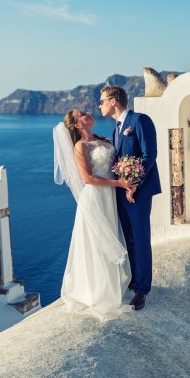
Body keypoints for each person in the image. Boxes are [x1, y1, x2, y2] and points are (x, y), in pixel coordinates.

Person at [53, 109, 137, 319]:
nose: (88, 113)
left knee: (112, 237)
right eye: (82, 114)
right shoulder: (80, 146)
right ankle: (97, 292)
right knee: (97, 244)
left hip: (109, 197)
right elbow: (88, 179)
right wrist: (120, 182)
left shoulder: (103, 139)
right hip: (95, 199)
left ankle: (113, 287)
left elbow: (115, 163)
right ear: (78, 125)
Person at [99, 85, 161, 311]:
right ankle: (133, 280)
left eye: (102, 100)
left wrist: (134, 185)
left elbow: (149, 155)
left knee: (140, 238)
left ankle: (142, 290)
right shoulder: (117, 129)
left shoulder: (139, 120)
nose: (100, 105)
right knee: (129, 239)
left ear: (114, 100)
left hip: (138, 192)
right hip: (121, 191)